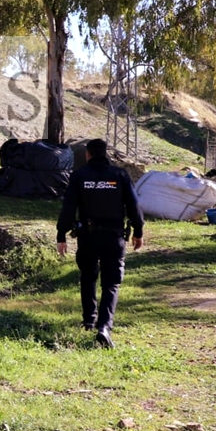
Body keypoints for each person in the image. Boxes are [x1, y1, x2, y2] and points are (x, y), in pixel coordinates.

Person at [56, 138, 144, 348]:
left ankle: (89, 320)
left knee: (88, 277)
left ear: (88, 154)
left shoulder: (79, 176)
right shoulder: (119, 175)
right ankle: (104, 327)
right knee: (111, 283)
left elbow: (68, 208)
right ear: (105, 154)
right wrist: (138, 231)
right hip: (114, 238)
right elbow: (134, 205)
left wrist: (61, 235)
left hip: (88, 236)